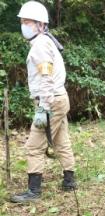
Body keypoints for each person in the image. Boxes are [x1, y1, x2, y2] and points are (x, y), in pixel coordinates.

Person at [11, 1, 76, 203]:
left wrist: (43, 107)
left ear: (40, 24)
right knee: (60, 140)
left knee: (34, 145)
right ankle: (69, 180)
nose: (23, 25)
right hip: (59, 98)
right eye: (22, 21)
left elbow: (46, 77)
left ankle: (34, 191)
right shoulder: (46, 41)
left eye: (27, 21)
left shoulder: (40, 45)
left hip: (51, 101)